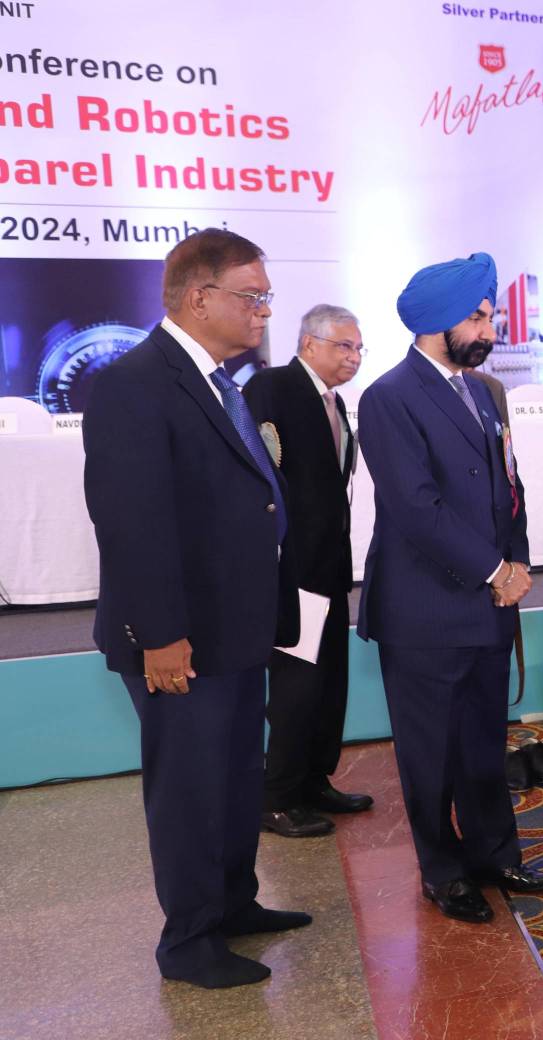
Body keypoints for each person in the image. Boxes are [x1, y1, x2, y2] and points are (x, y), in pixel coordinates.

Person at [82, 228, 308, 988]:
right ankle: (188, 942)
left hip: (235, 629)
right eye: (253, 296)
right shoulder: (134, 384)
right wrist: (161, 637)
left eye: (266, 296)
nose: (264, 311)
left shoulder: (216, 380)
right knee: (189, 791)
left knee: (237, 776)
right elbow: (132, 525)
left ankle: (232, 905)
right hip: (180, 639)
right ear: (198, 296)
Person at [356, 253, 543, 925]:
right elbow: (416, 509)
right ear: (436, 322)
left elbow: (508, 485)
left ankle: (496, 856)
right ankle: (442, 873)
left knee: (483, 737)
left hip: (488, 601)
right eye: (477, 316)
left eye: (490, 314)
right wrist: (492, 571)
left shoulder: (481, 390)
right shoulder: (388, 397)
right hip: (427, 609)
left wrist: (520, 561)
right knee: (431, 753)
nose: (490, 326)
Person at [243, 304, 373, 839]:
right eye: (344, 346)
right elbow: (262, 479)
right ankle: (277, 795)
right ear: (310, 343)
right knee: (296, 688)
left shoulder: (335, 402)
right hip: (291, 568)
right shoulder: (273, 388)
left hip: (330, 567)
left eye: (360, 348)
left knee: (328, 683)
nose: (354, 357)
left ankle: (315, 779)